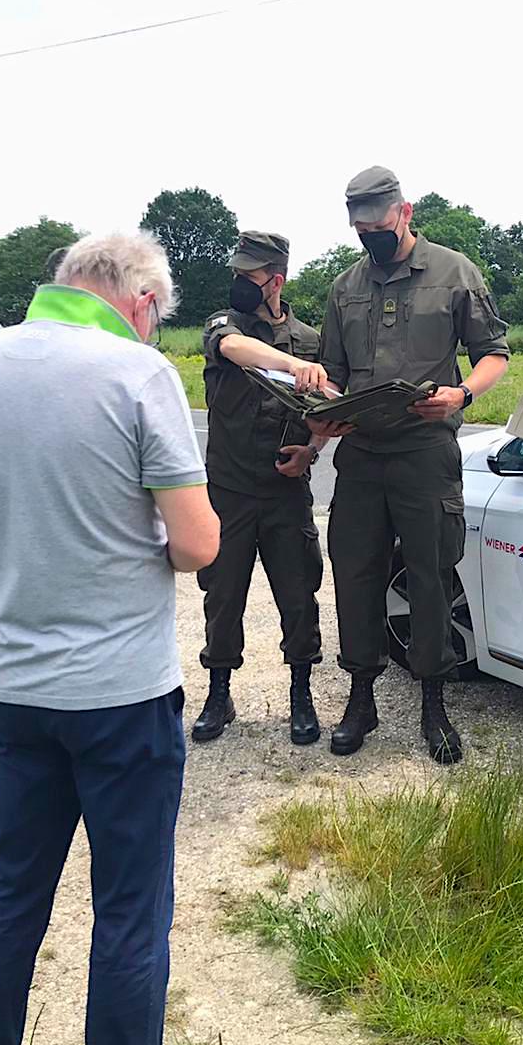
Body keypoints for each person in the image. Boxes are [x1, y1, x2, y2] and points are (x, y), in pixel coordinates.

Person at [0, 233, 232, 1045]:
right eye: (158, 313)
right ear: (138, 299)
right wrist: (115, 536)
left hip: (17, 686)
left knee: (14, 889)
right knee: (130, 911)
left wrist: (35, 535)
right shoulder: (138, 375)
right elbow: (198, 544)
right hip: (122, 693)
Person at [311, 166, 510, 764]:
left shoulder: (454, 272)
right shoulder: (344, 286)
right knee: (355, 575)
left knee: (429, 577)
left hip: (426, 452)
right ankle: (361, 698)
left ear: (406, 213)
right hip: (362, 454)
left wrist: (461, 395)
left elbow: (494, 354)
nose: (370, 237)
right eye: (360, 230)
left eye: (379, 226)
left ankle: (433, 702)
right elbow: (334, 373)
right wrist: (324, 411)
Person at [191, 230, 328, 746]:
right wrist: (292, 366)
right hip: (229, 491)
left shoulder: (310, 340)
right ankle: (219, 693)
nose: (239, 283)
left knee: (299, 596)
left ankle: (301, 693)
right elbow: (234, 349)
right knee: (223, 595)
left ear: (276, 280)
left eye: (249, 276)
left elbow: (327, 409)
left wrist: (312, 450)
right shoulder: (224, 326)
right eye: (237, 274)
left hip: (285, 492)